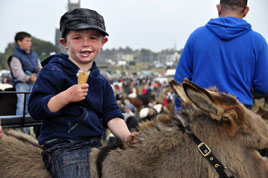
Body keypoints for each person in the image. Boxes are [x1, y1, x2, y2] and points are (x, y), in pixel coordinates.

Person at [28, 8, 139, 178]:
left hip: (95, 144)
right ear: (65, 43)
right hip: (63, 146)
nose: (85, 43)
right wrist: (64, 97)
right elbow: (36, 108)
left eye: (92, 38)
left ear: (103, 43)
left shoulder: (101, 81)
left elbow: (112, 115)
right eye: (77, 38)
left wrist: (126, 136)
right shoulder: (53, 71)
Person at [174, 0, 268, 111]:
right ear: (246, 11)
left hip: (200, 114)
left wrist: (180, 110)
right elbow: (263, 86)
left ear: (219, 9)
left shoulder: (196, 37)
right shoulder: (258, 42)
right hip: (238, 116)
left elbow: (179, 82)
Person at [8, 31, 42, 134]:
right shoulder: (15, 57)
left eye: (30, 41)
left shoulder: (34, 55)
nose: (29, 43)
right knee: (22, 103)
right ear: (19, 42)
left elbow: (40, 68)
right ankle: (21, 128)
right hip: (22, 83)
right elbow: (18, 74)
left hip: (34, 82)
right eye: (27, 41)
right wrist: (29, 78)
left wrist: (41, 76)